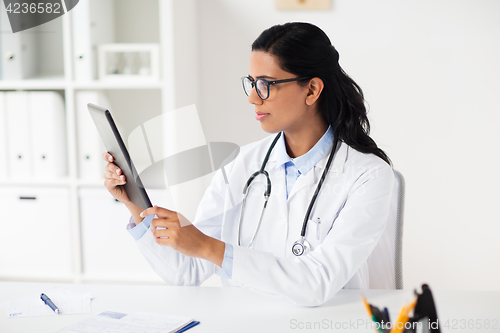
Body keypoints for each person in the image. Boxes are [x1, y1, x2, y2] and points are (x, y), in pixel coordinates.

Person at [102, 22, 395, 307]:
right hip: (249, 322)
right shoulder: (241, 165)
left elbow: (315, 284)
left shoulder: (368, 176)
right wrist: (136, 206)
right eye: (252, 83)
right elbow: (186, 271)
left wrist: (208, 246)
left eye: (266, 84)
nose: (253, 98)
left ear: (312, 90)